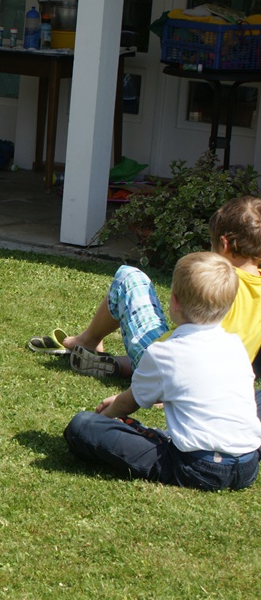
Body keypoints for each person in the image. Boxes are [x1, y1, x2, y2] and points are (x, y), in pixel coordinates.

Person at [63, 252, 261, 490]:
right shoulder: (235, 345)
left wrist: (105, 417)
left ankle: (158, 438)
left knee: (82, 426)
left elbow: (127, 404)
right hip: (248, 464)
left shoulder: (164, 352)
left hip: (197, 468)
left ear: (174, 301)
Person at [29, 196, 261, 379]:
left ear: (224, 244)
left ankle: (87, 341)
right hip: (221, 380)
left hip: (169, 369)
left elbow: (187, 342)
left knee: (129, 277)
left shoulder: (218, 283)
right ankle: (119, 364)